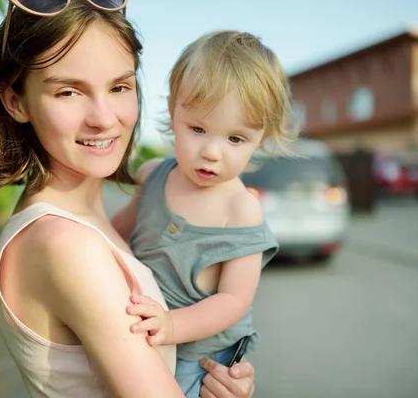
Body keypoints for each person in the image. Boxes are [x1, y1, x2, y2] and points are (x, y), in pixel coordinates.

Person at [0, 0, 256, 397]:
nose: (104, 117)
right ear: (16, 101)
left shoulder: (89, 222)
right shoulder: (66, 245)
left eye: (119, 86)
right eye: (69, 91)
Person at [111, 30, 291, 397]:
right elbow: (116, 234)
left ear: (262, 137)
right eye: (197, 129)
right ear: (173, 109)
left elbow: (233, 301)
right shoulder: (154, 175)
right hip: (148, 335)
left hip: (200, 360)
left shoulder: (240, 210)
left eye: (235, 139)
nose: (211, 151)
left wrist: (172, 325)